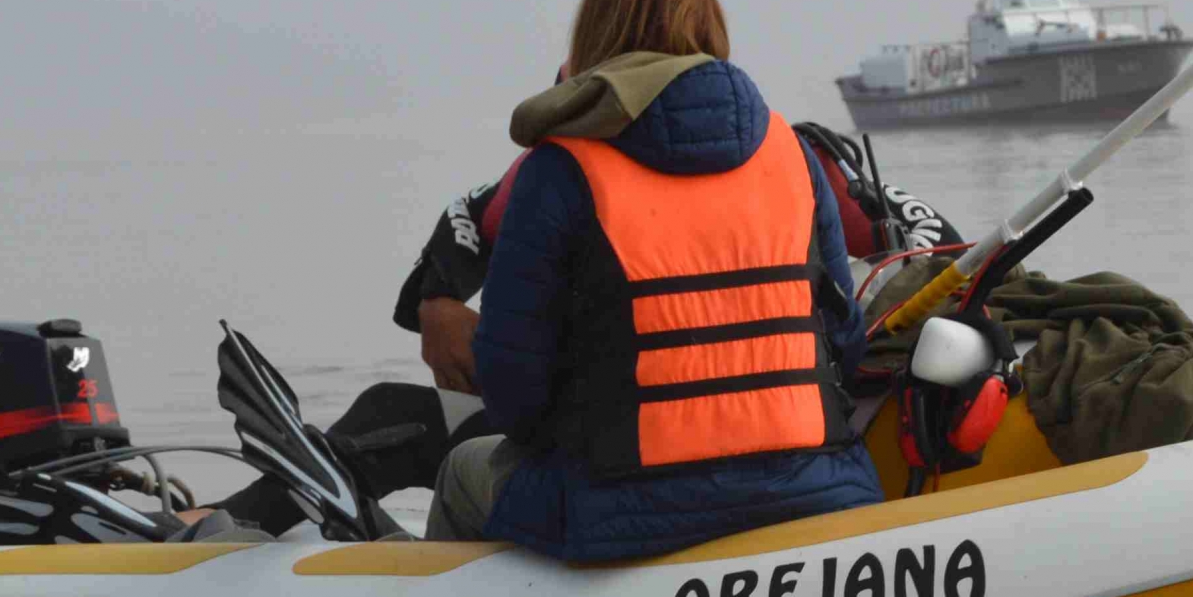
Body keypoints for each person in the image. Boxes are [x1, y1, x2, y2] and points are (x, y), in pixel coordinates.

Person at [426, 0, 885, 560]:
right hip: (814, 486)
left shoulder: (560, 169)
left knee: (462, 470)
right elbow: (844, 341)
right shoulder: (793, 154)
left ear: (595, 36)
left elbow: (514, 398)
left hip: (622, 512)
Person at [396, 125, 957, 396]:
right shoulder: (554, 173)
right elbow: (471, 210)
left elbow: (942, 247)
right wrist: (438, 299)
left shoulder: (786, 158)